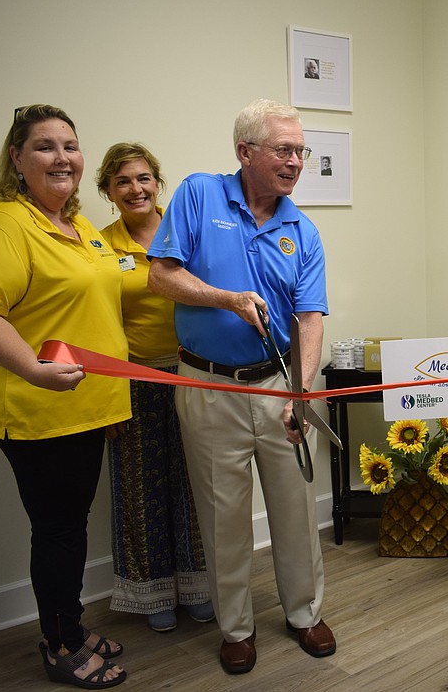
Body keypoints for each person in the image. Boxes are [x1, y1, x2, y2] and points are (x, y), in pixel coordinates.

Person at [147, 99, 334, 675]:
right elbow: (162, 275)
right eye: (284, 149)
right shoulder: (200, 194)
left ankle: (304, 613)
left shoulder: (302, 230)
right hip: (207, 385)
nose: (296, 161)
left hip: (279, 384)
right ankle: (236, 627)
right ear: (245, 152)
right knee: (223, 513)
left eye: (301, 151)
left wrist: (302, 392)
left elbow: (310, 319)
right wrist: (225, 298)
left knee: (296, 507)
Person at [0, 104, 130, 688]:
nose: (62, 158)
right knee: (58, 530)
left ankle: (69, 626)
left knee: (69, 525)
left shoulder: (79, 229)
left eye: (71, 146)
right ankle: (61, 646)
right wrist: (31, 369)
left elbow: (100, 302)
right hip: (37, 410)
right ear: (16, 158)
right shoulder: (3, 227)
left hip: (85, 407)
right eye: (46, 146)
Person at [96, 143, 214, 633]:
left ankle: (199, 586)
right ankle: (153, 592)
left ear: (157, 182)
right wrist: (108, 395)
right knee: (141, 487)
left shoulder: (186, 228)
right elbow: (96, 321)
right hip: (135, 378)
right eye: (122, 181)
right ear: (107, 190)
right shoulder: (98, 246)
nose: (135, 189)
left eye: (143, 178)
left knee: (195, 481)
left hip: (192, 370)